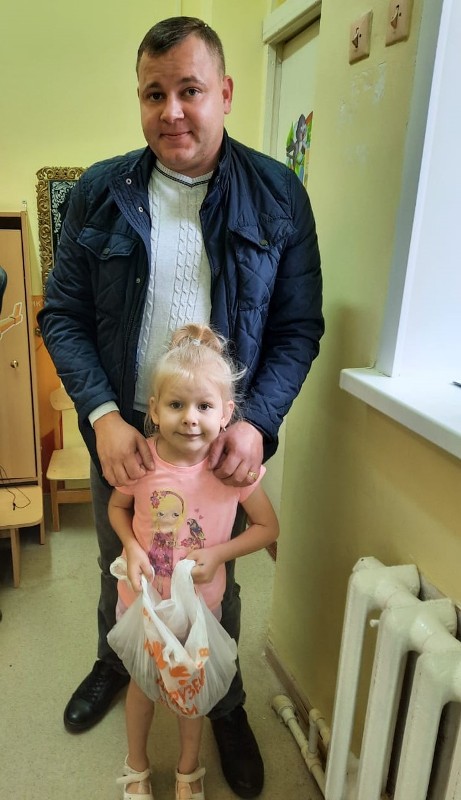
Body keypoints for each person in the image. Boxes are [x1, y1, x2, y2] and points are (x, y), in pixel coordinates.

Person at [38, 16, 324, 799]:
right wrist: (101, 414)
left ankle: (220, 700)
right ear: (139, 99)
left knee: (210, 574)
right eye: (153, 93)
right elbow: (63, 314)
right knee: (125, 560)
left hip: (223, 435)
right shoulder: (100, 192)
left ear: (223, 93)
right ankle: (118, 661)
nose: (171, 111)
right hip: (129, 429)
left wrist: (257, 421)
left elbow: (298, 328)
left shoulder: (277, 195)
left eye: (189, 90)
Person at [109, 323, 279, 800]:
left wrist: (219, 553)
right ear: (154, 409)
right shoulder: (143, 463)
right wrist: (131, 546)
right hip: (143, 607)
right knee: (142, 687)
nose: (189, 419)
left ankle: (189, 769)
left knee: (191, 695)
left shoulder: (233, 472)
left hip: (201, 610)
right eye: (176, 405)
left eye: (204, 406)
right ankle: (136, 765)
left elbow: (268, 528)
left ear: (226, 414)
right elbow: (118, 509)